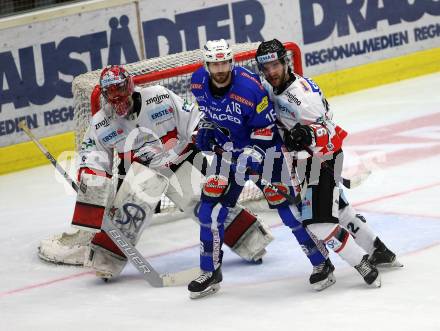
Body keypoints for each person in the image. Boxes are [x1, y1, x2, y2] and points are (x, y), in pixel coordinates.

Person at [39, 65, 276, 279]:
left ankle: (253, 242)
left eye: (119, 89)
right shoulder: (101, 122)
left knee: (206, 205)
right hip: (142, 174)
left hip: (179, 162)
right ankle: (105, 262)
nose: (116, 97)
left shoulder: (160, 97)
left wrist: (202, 135)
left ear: (130, 86)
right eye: (109, 92)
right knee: (128, 218)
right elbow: (93, 156)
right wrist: (92, 178)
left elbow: (194, 119)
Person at [187, 39, 335, 299]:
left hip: (266, 154)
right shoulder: (198, 81)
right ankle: (210, 271)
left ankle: (322, 261)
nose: (220, 69)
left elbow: (265, 129)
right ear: (207, 65)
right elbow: (208, 114)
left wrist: (251, 155)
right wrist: (206, 130)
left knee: (289, 211)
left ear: (231, 62)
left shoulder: (251, 88)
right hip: (227, 153)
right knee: (210, 211)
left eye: (224, 62)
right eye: (214, 63)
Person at [255, 39, 402, 287]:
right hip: (306, 162)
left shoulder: (301, 97)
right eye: (266, 68)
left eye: (275, 66)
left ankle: (363, 265)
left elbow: (330, 135)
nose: (271, 72)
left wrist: (308, 135)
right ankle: (381, 252)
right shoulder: (276, 87)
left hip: (321, 160)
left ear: (285, 62)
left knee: (319, 226)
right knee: (341, 211)